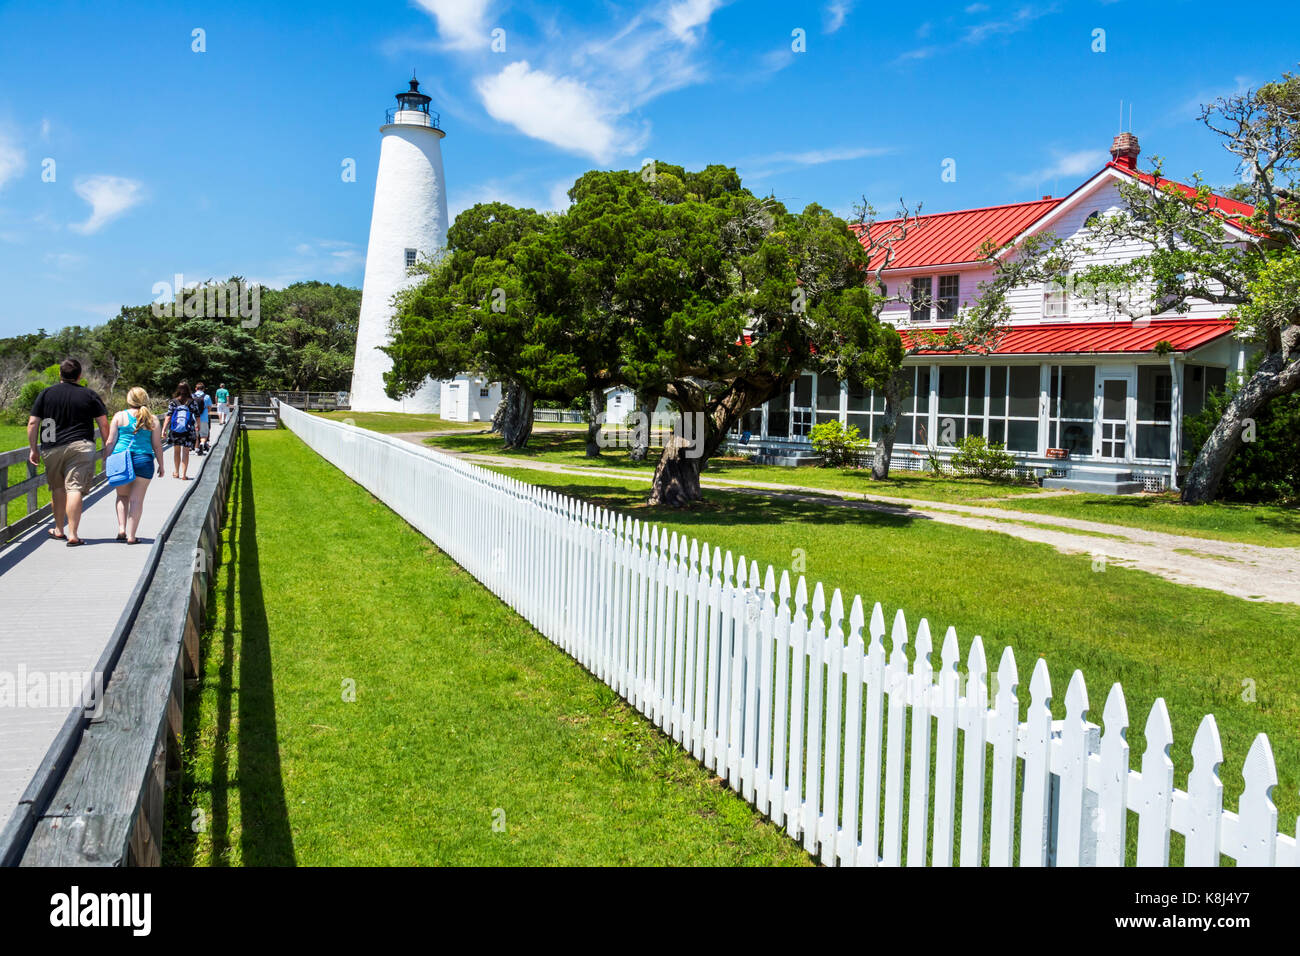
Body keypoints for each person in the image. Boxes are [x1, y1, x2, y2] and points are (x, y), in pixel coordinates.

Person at [27, 358, 110, 546]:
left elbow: (33, 422)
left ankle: (59, 529)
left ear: (60, 374)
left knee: (57, 488)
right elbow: (103, 423)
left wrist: (33, 448)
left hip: (51, 446)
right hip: (81, 446)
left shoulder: (46, 394)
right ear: (79, 375)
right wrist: (107, 446)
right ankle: (73, 534)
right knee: (74, 488)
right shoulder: (89, 395)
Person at [104, 387, 165, 544]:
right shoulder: (153, 419)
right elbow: (157, 445)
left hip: (121, 459)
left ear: (129, 399)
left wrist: (107, 459)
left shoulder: (119, 416)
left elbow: (110, 441)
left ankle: (122, 529)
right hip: (143, 460)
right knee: (136, 500)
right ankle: (131, 536)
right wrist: (161, 464)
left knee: (122, 496)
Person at [162, 381, 201, 480]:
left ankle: (176, 472)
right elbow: (197, 415)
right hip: (188, 429)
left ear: (178, 389)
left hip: (175, 430)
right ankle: (184, 474)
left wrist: (164, 429)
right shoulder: (192, 402)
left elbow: (168, 416)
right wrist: (198, 426)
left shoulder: (173, 402)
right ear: (188, 390)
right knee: (186, 452)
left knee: (176, 451)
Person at [193, 381, 213, 455]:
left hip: (194, 418)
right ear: (203, 389)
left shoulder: (192, 396)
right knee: (204, 434)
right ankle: (202, 443)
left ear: (196, 388)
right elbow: (209, 407)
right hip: (204, 418)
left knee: (195, 434)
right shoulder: (207, 396)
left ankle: (196, 449)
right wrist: (206, 413)